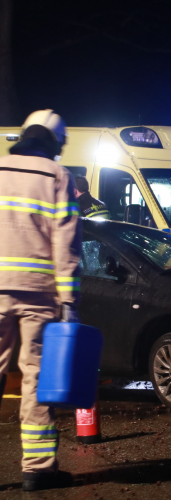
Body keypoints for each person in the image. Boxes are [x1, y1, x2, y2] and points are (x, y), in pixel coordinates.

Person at [0, 110, 81, 491]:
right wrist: (70, 300)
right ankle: (37, 469)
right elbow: (66, 243)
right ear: (54, 142)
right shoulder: (57, 176)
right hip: (39, 290)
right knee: (36, 379)